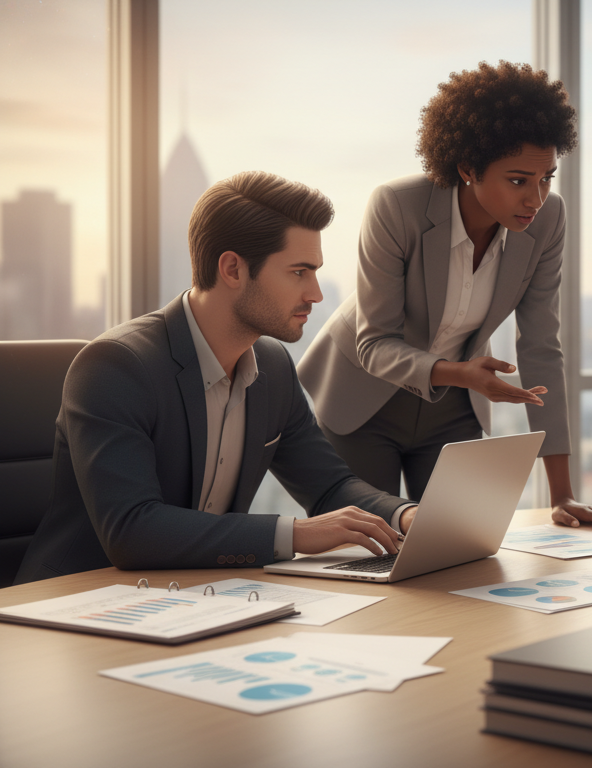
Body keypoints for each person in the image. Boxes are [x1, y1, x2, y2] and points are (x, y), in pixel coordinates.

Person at [17, 171, 412, 583]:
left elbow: (330, 486)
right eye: (299, 272)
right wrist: (296, 534)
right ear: (232, 269)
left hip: (198, 593)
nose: (315, 293)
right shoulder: (115, 367)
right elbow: (132, 530)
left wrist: (406, 515)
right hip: (76, 599)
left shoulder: (273, 367)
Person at [298, 61, 592, 531]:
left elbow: (541, 348)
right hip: (364, 396)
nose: (535, 198)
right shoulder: (397, 206)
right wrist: (460, 373)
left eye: (546, 177)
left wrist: (563, 493)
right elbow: (374, 344)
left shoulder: (548, 219)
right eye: (518, 180)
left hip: (454, 404)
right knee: (366, 545)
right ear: (468, 167)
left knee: (460, 541)